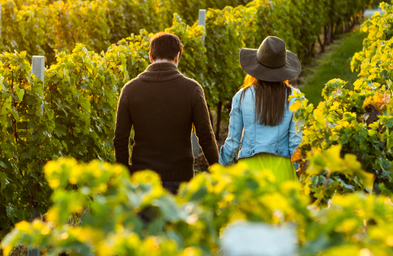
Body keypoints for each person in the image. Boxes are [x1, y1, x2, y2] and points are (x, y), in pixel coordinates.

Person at [114, 32, 219, 194]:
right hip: (180, 181)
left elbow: (120, 139)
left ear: (150, 56)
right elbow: (205, 134)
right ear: (177, 57)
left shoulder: (130, 90)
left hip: (141, 181)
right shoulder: (192, 89)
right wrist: (217, 168)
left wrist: (125, 174)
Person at [219, 36, 303, 181]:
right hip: (281, 171)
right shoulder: (296, 97)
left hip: (249, 172)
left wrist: (220, 166)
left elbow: (233, 142)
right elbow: (296, 142)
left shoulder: (241, 96)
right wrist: (301, 174)